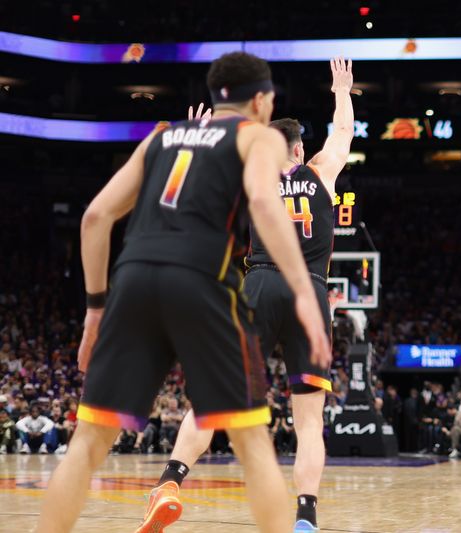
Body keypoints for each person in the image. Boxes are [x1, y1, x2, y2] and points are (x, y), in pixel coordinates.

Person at [35, 51, 331, 533]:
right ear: (259, 101)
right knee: (250, 438)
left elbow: (94, 218)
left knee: (88, 443)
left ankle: (163, 484)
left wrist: (94, 310)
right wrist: (303, 291)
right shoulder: (256, 138)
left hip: (132, 278)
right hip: (200, 279)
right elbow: (262, 200)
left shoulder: (162, 137)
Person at [141, 57, 354, 533]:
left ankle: (171, 482)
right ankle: (305, 518)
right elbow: (343, 133)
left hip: (258, 283)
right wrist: (342, 91)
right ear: (299, 150)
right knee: (309, 423)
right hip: (312, 294)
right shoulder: (320, 172)